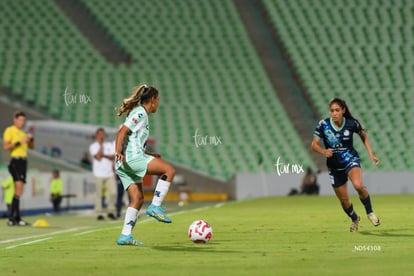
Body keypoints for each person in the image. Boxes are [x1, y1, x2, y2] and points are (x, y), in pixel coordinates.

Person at [114, 84, 175, 246]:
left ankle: (125, 236)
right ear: (153, 100)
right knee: (169, 170)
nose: (158, 104)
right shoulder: (140, 112)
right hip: (132, 159)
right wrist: (117, 150)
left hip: (124, 164)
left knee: (138, 198)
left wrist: (150, 154)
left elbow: (131, 140)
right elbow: (122, 132)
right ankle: (155, 206)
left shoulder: (139, 114)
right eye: (158, 100)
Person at [311, 97, 380, 232]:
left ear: (343, 110)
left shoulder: (351, 123)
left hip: (350, 160)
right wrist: (323, 151)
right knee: (344, 200)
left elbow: (363, 135)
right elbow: (313, 145)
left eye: (337, 110)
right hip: (334, 167)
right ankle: (355, 218)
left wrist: (371, 154)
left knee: (358, 185)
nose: (334, 113)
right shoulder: (323, 125)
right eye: (332, 110)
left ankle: (370, 212)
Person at [2, 111, 34, 226]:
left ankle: (15, 218)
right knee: (18, 187)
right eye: (20, 120)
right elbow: (5, 146)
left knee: (19, 191)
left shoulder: (23, 133)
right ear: (15, 120)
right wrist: (19, 142)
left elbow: (32, 147)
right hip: (15, 161)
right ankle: (13, 218)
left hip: (23, 162)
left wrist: (31, 139)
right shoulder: (10, 130)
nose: (22, 122)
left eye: (23, 120)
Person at [89, 128, 117, 220]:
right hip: (98, 174)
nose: (102, 136)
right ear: (96, 135)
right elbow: (97, 157)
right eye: (100, 134)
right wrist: (101, 146)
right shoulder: (93, 146)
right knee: (99, 194)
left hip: (109, 173)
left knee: (113, 193)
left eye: (103, 134)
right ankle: (99, 213)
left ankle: (110, 211)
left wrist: (104, 155)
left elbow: (113, 157)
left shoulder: (109, 145)